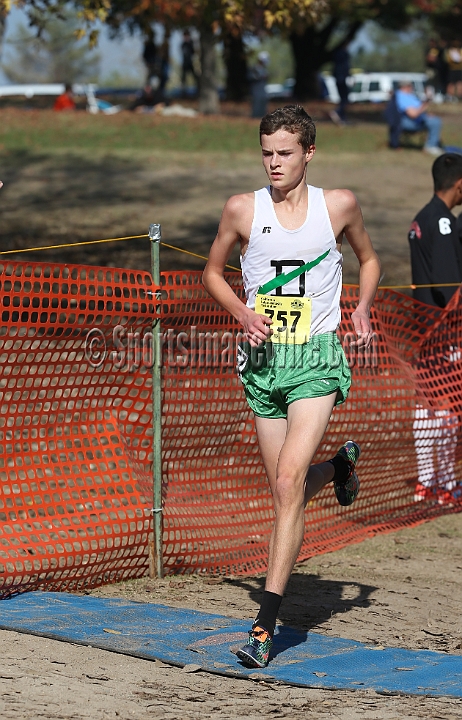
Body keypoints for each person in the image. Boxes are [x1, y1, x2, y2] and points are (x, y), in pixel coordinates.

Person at [202, 105, 381, 668]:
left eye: (284, 152)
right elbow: (211, 272)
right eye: (266, 153)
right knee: (289, 489)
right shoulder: (240, 209)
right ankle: (340, 468)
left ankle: (264, 627)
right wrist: (241, 313)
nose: (274, 163)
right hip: (263, 361)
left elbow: (369, 260)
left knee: (285, 480)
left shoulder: (339, 205)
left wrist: (363, 310)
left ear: (308, 153)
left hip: (317, 358)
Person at [408, 153, 462, 505]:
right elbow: (449, 285)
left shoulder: (421, 217)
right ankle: (445, 485)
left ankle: (426, 482)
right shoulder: (442, 222)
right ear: (459, 185)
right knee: (449, 409)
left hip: (420, 327)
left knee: (427, 405)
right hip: (445, 328)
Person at [395, 81, 443, 155]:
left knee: (434, 119)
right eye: (410, 86)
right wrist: (425, 103)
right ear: (405, 87)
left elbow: (418, 110)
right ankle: (431, 146)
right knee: (434, 122)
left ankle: (432, 144)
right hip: (408, 122)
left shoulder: (409, 96)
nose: (412, 88)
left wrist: (426, 114)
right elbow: (413, 114)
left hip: (416, 120)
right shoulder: (401, 96)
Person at [330, 41, 350, 125]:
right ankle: (337, 112)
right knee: (344, 99)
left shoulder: (336, 55)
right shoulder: (344, 54)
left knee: (343, 98)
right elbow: (345, 67)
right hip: (342, 78)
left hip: (338, 78)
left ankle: (342, 117)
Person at [249, 51, 270, 119]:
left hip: (262, 90)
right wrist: (260, 77)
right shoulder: (254, 69)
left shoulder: (264, 69)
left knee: (263, 106)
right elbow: (251, 77)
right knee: (256, 106)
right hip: (256, 91)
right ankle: (254, 118)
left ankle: (262, 118)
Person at [181, 30, 198, 94]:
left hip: (190, 62)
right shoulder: (183, 44)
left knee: (194, 77)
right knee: (184, 79)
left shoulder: (190, 43)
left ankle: (197, 90)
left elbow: (193, 52)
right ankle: (183, 92)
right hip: (185, 63)